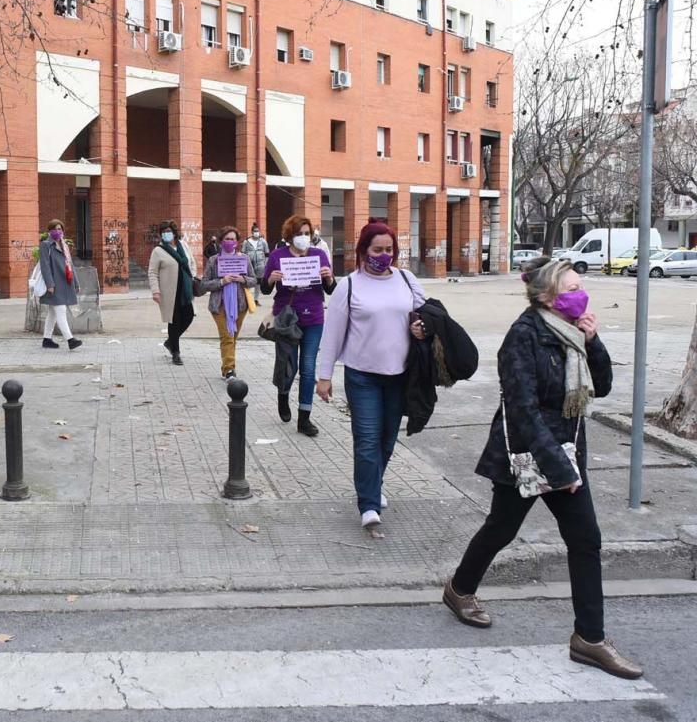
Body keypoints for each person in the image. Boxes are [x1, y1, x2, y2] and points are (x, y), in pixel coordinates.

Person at [443, 257, 642, 680]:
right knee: (502, 527)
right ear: (548, 296)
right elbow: (522, 410)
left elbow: (601, 387)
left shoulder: (572, 333)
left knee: (585, 539)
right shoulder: (523, 336)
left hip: (566, 450)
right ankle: (460, 589)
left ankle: (589, 639)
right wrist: (560, 469)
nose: (581, 293)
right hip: (528, 455)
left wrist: (594, 340)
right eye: (572, 288)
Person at [316, 220, 426, 530]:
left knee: (387, 439)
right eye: (377, 249)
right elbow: (332, 335)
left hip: (399, 374)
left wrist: (422, 329)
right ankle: (368, 503)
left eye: (389, 249)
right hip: (362, 375)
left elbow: (430, 315)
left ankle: (374, 483)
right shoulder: (349, 286)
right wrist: (324, 376)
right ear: (364, 251)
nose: (384, 255)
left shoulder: (406, 280)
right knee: (366, 440)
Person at [261, 216, 335, 434]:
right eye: (299, 234)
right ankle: (283, 396)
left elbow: (330, 289)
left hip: (313, 317)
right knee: (287, 364)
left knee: (308, 367)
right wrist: (271, 279)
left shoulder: (319, 255)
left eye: (306, 233)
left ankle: (305, 417)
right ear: (289, 236)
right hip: (287, 319)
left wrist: (329, 278)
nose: (303, 237)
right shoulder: (277, 256)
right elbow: (265, 289)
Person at [200, 226, 256, 380]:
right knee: (227, 337)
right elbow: (204, 284)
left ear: (237, 242)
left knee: (233, 339)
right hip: (219, 306)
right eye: (227, 239)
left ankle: (226, 367)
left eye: (233, 239)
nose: (230, 242)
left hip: (240, 306)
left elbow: (253, 280)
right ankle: (230, 369)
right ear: (221, 241)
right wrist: (221, 282)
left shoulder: (243, 258)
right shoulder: (214, 260)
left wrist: (243, 279)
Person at [147, 219, 199, 365]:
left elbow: (192, 262)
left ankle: (170, 341)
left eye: (169, 232)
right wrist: (155, 291)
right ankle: (176, 352)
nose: (166, 235)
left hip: (185, 290)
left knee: (188, 316)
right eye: (163, 232)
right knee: (174, 321)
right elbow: (152, 272)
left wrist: (192, 277)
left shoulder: (183, 245)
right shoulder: (158, 250)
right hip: (169, 292)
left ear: (174, 233)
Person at [39, 218, 82, 350]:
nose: (57, 231)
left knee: (53, 312)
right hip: (54, 284)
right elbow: (45, 266)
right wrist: (50, 284)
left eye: (59, 229)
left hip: (65, 282)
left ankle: (47, 339)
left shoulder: (64, 246)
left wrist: (76, 283)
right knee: (61, 310)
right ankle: (70, 340)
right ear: (49, 231)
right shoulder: (46, 245)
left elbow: (70, 265)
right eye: (54, 229)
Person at [243, 223, 270, 298]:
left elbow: (267, 253)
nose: (256, 233)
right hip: (249, 264)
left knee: (258, 281)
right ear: (252, 232)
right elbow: (243, 253)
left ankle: (256, 298)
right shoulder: (246, 241)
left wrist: (266, 263)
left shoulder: (263, 241)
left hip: (260, 264)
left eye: (258, 231)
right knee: (248, 280)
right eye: (255, 231)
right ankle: (247, 298)